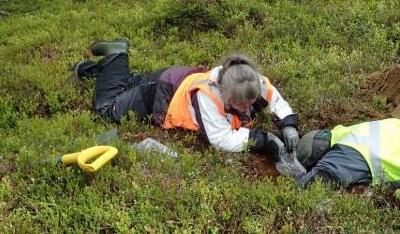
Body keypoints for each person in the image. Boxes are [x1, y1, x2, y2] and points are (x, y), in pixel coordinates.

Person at [72, 38, 298, 157]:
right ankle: (117, 54)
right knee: (108, 110)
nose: (248, 107)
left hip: (175, 79)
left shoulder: (252, 81)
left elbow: (277, 102)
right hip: (161, 93)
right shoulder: (208, 95)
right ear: (224, 91)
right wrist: (264, 139)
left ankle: (94, 70)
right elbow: (221, 138)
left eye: (251, 102)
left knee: (131, 87)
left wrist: (288, 125)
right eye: (240, 104)